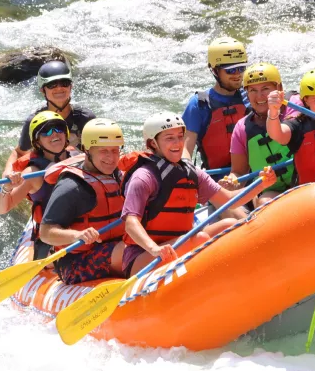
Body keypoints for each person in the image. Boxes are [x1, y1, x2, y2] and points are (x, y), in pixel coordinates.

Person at [120, 112, 276, 277]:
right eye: (169, 138)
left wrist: (261, 185)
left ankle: (253, 269)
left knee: (230, 223)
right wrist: (154, 249)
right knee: (200, 238)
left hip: (180, 243)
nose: (177, 143)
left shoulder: (191, 173)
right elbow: (131, 223)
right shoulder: (143, 177)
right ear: (153, 143)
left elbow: (229, 200)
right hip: (144, 257)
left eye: (180, 136)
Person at [39, 118, 126, 285]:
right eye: (103, 151)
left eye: (115, 150)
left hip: (113, 246)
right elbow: (45, 232)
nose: (111, 157)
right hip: (75, 262)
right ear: (87, 150)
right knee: (130, 251)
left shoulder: (118, 175)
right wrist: (77, 235)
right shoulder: (71, 186)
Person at [220, 63, 303, 207]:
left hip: (304, 183)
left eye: (265, 88)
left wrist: (274, 111)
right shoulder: (242, 128)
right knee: (264, 202)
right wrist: (232, 182)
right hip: (271, 192)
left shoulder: (295, 105)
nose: (259, 96)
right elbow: (239, 172)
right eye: (253, 90)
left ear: (279, 89)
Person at [0, 111, 75, 260]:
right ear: (37, 142)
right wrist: (7, 188)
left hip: (82, 229)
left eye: (58, 128)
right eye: (46, 131)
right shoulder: (33, 173)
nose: (54, 134)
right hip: (52, 241)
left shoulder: (76, 156)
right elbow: (1, 209)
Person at [2, 59, 96, 177]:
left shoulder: (85, 118)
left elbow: (100, 150)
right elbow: (19, 152)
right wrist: (8, 172)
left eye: (64, 83)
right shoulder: (34, 121)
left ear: (71, 86)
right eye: (52, 85)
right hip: (47, 173)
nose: (59, 88)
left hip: (80, 173)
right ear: (43, 90)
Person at [182, 37, 250, 171]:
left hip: (255, 176)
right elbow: (185, 150)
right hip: (216, 180)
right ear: (214, 70)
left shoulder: (252, 96)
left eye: (241, 68)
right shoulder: (199, 105)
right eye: (230, 70)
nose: (237, 74)